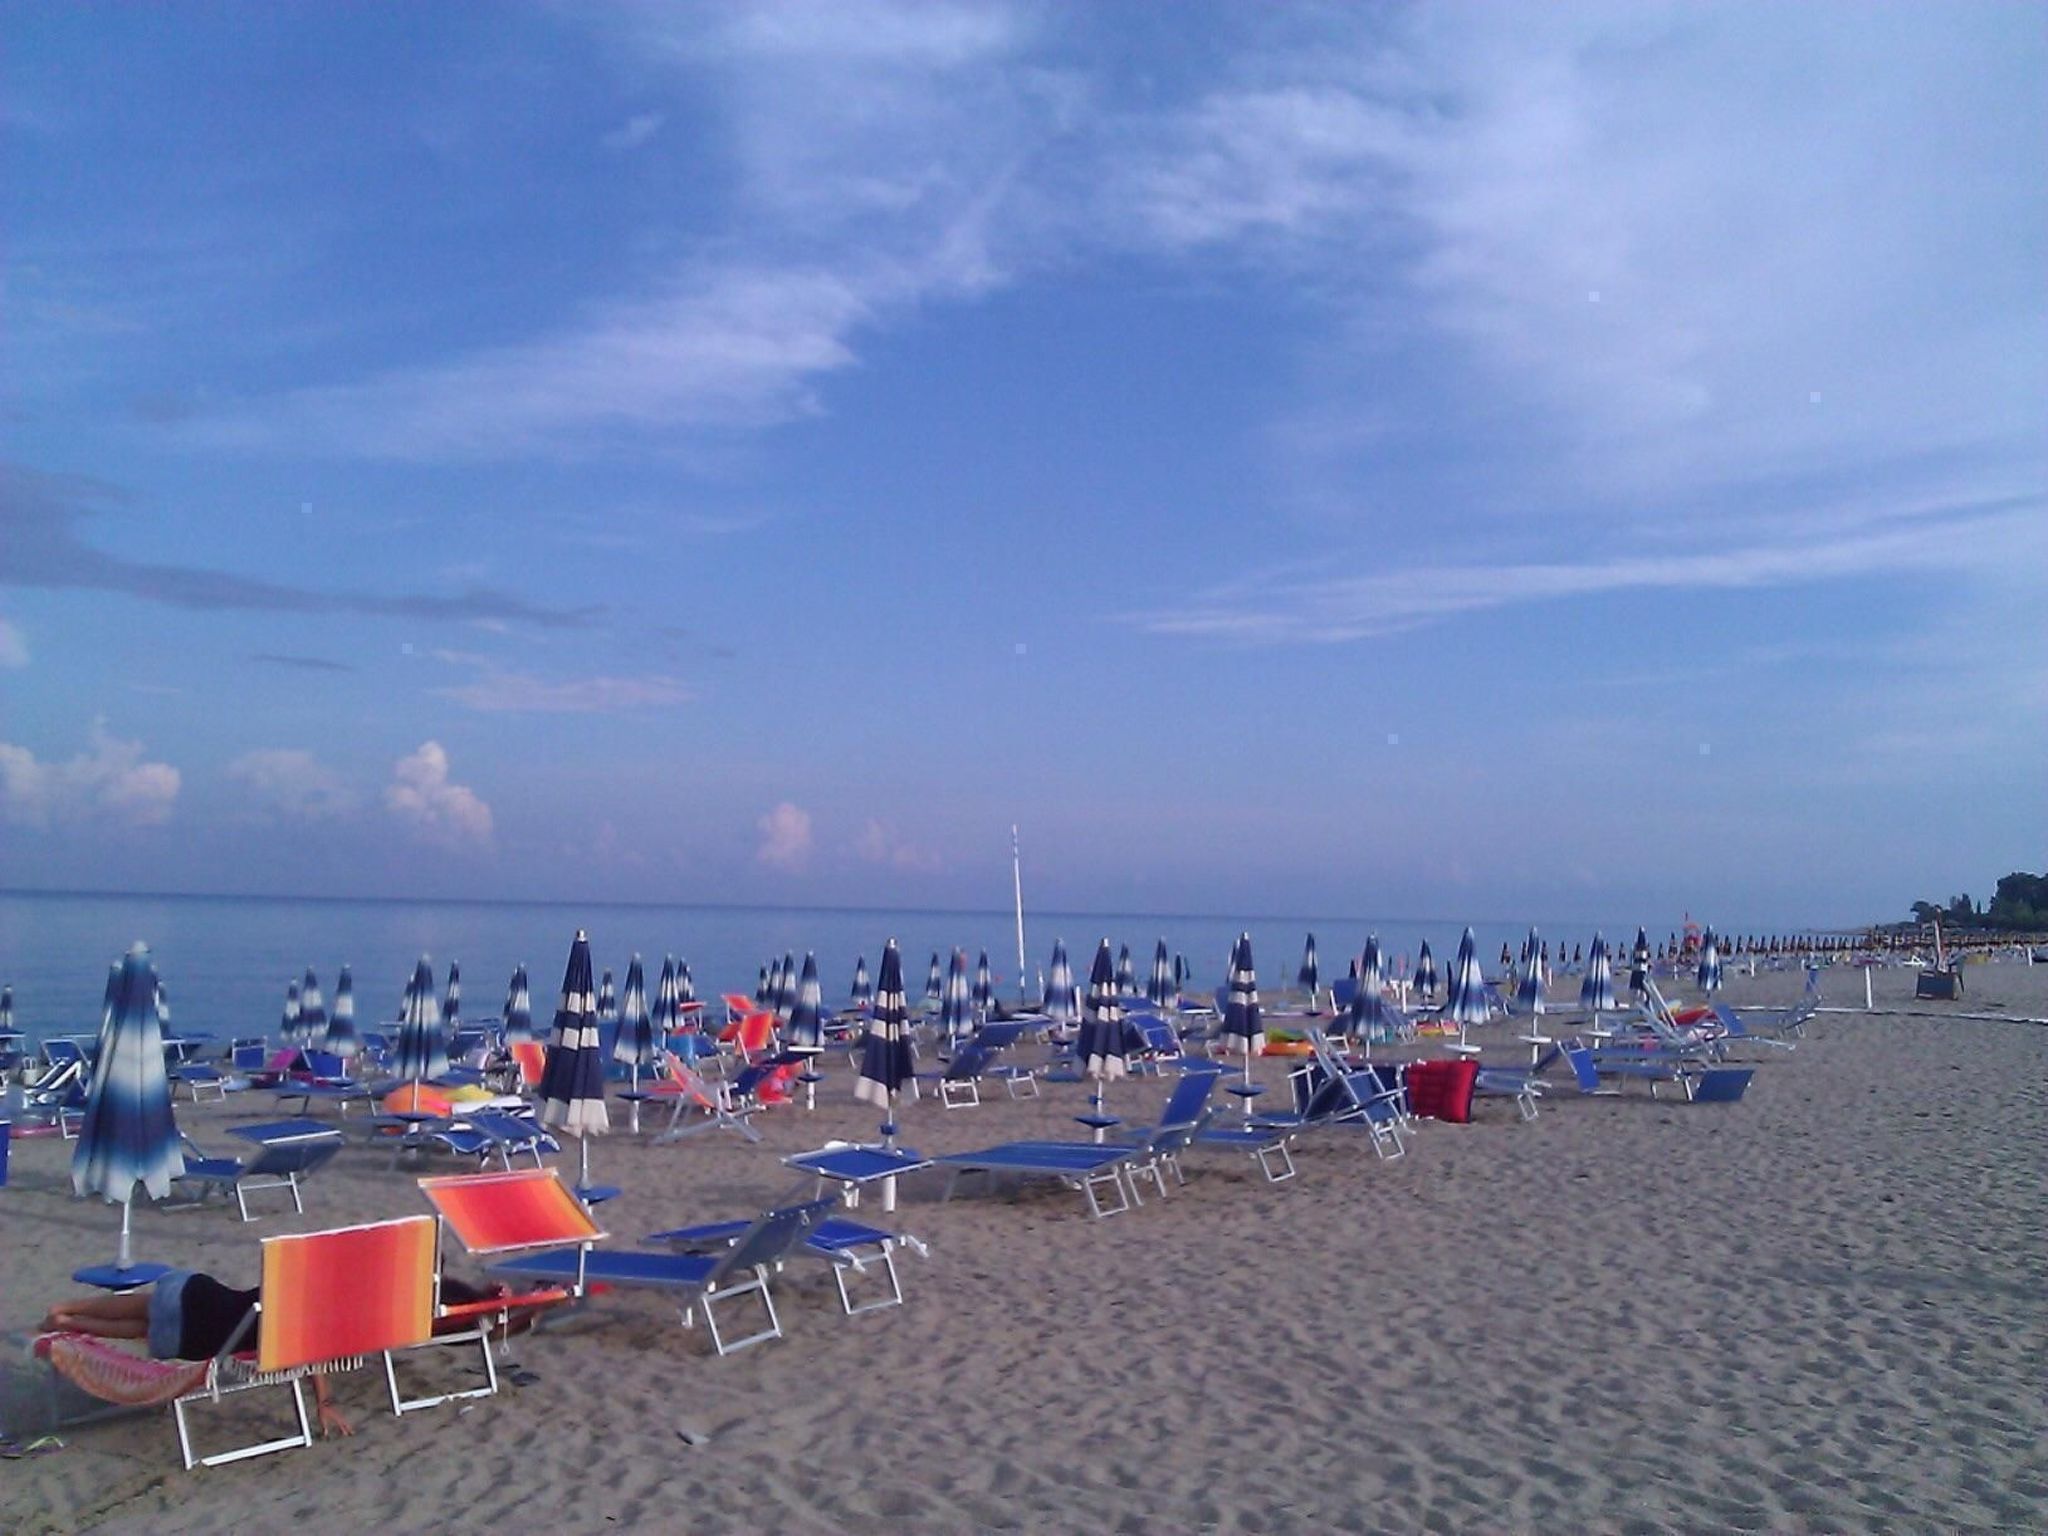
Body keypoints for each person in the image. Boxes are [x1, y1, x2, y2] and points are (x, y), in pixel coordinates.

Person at [42, 1271, 532, 1437]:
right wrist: (324, 1403)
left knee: (143, 1308)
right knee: (138, 1326)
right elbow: (309, 1356)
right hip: (197, 1343)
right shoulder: (324, 1321)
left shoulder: (313, 1295)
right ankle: (67, 1321)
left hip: (206, 1299)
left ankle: (64, 1312)